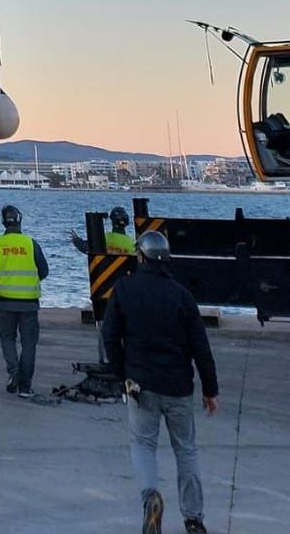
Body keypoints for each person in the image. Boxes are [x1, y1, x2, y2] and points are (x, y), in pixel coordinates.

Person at [101, 228, 219, 534]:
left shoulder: (124, 290)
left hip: (141, 385)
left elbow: (110, 336)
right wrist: (210, 389)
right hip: (178, 385)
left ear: (140, 256)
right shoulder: (181, 295)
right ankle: (193, 519)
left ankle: (151, 498)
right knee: (186, 450)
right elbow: (200, 347)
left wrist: (121, 374)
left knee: (143, 445)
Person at [0, 202, 49, 395]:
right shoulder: (31, 243)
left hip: (5, 301)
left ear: (3, 223)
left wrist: (6, 279)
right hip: (29, 302)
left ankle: (13, 370)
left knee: (7, 337)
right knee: (29, 343)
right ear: (19, 221)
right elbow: (44, 270)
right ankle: (25, 386)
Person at [70, 204, 136, 257]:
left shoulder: (104, 238)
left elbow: (86, 247)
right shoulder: (132, 242)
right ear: (127, 223)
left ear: (112, 221)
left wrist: (76, 240)